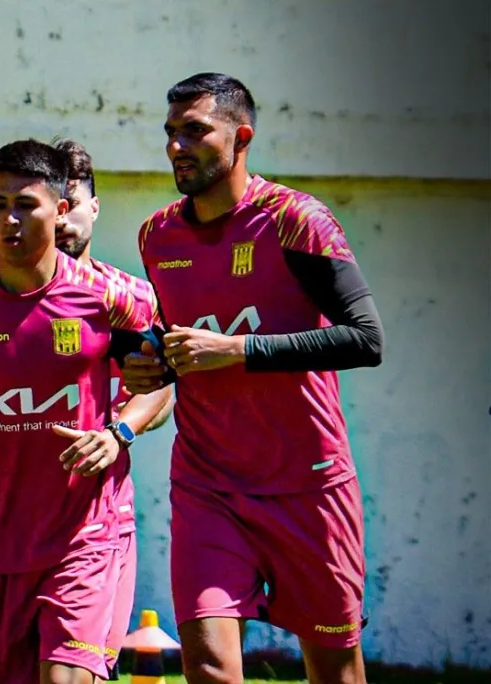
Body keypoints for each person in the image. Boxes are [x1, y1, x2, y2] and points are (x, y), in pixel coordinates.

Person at [122, 72, 384, 684]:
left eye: (194, 132)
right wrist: (150, 360)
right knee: (209, 664)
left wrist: (237, 349)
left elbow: (366, 339)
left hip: (310, 485)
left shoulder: (297, 221)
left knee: (335, 669)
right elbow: (172, 338)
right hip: (208, 483)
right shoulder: (158, 236)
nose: (176, 147)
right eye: (170, 133)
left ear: (241, 137)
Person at [0, 139, 164, 684]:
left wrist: (119, 432)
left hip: (84, 537)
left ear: (61, 209)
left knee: (66, 677)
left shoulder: (113, 300)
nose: (10, 219)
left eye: (26, 204)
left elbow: (160, 386)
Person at [52, 137, 174, 681]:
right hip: (9, 524)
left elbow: (162, 392)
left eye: (72, 205)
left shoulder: (128, 297)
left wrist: (118, 431)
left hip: (99, 517)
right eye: (50, 205)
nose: (61, 220)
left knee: (80, 670)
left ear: (94, 208)